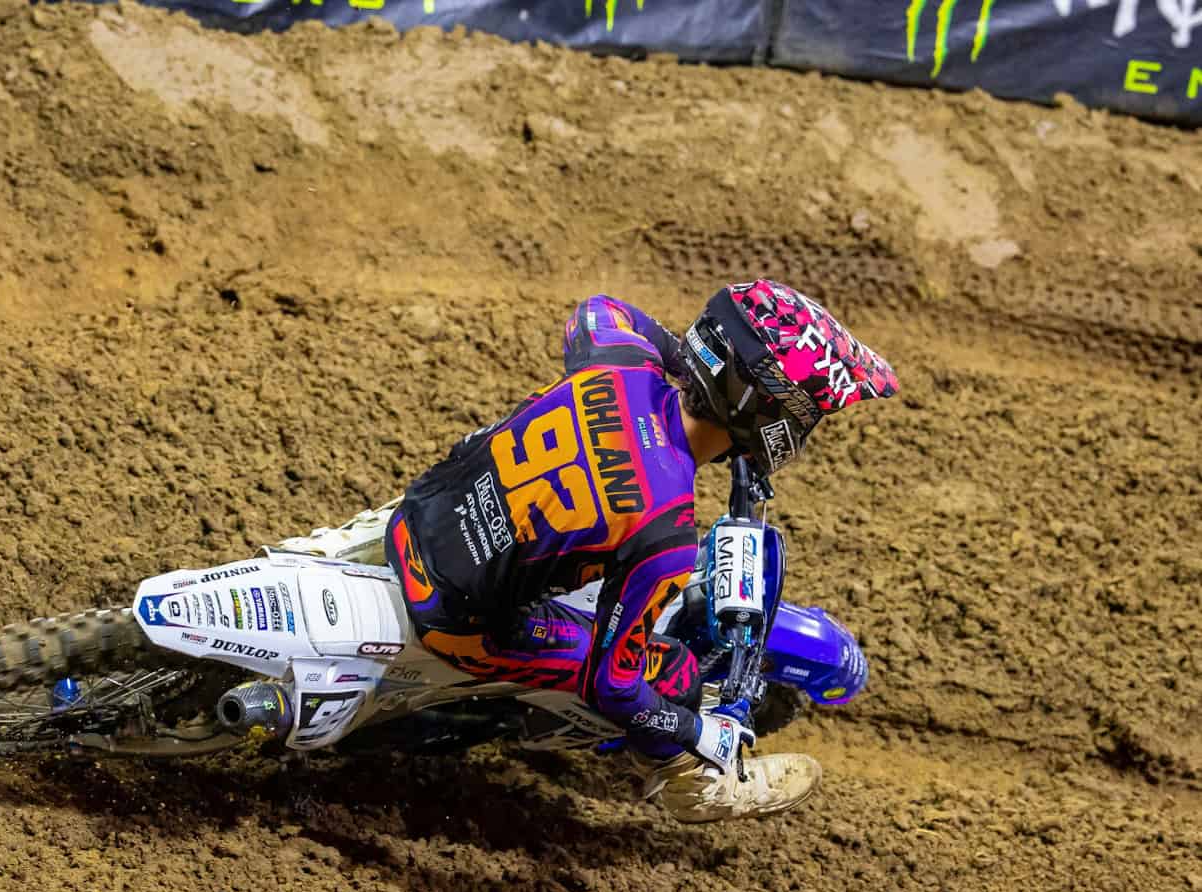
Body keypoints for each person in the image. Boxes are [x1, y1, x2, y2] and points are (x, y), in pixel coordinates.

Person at [376, 280, 900, 823]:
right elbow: (613, 683)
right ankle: (696, 787)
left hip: (413, 521)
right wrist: (697, 729)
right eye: (807, 417)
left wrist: (699, 367)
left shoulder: (618, 360)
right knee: (673, 672)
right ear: (771, 415)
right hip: (454, 622)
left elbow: (599, 309)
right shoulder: (665, 535)